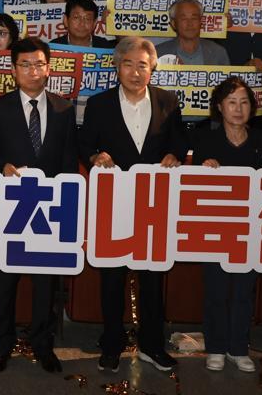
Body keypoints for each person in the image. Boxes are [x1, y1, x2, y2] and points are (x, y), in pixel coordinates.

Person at [79, 36, 185, 374]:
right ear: (117, 67)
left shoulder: (168, 101)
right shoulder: (99, 104)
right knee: (112, 277)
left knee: (152, 278)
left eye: (143, 65)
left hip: (154, 203)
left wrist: (174, 155)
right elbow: (84, 144)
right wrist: (95, 156)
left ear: (152, 68)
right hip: (114, 202)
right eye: (128, 64)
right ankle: (112, 343)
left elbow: (179, 142)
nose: (136, 72)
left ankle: (152, 345)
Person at [0, 38, 76, 374]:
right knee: (5, 281)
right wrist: (2, 166)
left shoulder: (64, 109)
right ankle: (1, 345)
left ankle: (43, 344)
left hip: (49, 209)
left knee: (45, 282)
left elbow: (68, 160)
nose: (33, 71)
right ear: (13, 70)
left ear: (48, 68)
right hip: (10, 209)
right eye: (25, 65)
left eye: (39, 64)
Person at [192, 77, 262, 374]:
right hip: (216, 227)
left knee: (243, 292)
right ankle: (215, 346)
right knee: (216, 290)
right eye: (232, 102)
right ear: (219, 107)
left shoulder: (261, 139)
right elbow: (194, 187)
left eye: (244, 102)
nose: (238, 109)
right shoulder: (206, 140)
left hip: (250, 228)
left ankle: (239, 348)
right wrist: (206, 170)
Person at [155, 0, 231, 65]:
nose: (190, 24)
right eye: (184, 19)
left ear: (201, 21)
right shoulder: (158, 53)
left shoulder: (218, 52)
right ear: (173, 24)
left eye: (194, 18)